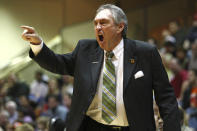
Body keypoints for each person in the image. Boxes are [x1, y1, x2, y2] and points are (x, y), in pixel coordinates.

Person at [21, 4, 180, 131]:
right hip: (91, 126)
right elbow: (58, 63)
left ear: (120, 27)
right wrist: (37, 45)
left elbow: (166, 98)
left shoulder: (145, 53)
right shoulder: (85, 49)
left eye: (103, 22)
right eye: (95, 23)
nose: (97, 27)